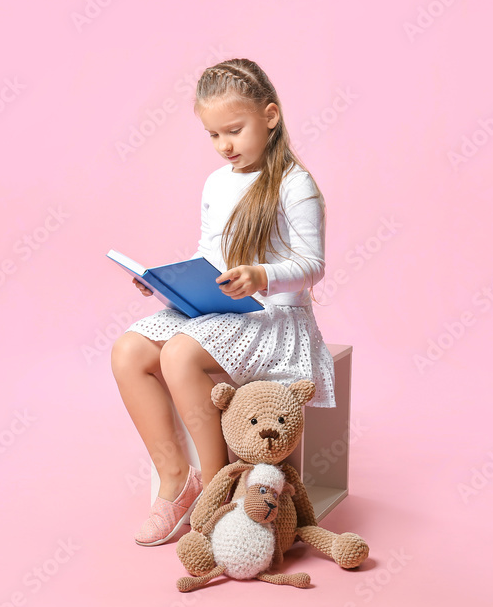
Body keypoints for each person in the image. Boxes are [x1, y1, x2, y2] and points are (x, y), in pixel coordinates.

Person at [110, 58, 337, 546]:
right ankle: (177, 479)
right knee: (127, 350)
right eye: (213, 136)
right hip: (223, 308)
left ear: (270, 116)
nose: (224, 146)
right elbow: (207, 252)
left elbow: (313, 265)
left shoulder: (295, 185)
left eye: (233, 131)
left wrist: (262, 274)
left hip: (274, 315)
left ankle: (218, 487)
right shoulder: (217, 182)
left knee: (180, 354)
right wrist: (166, 281)